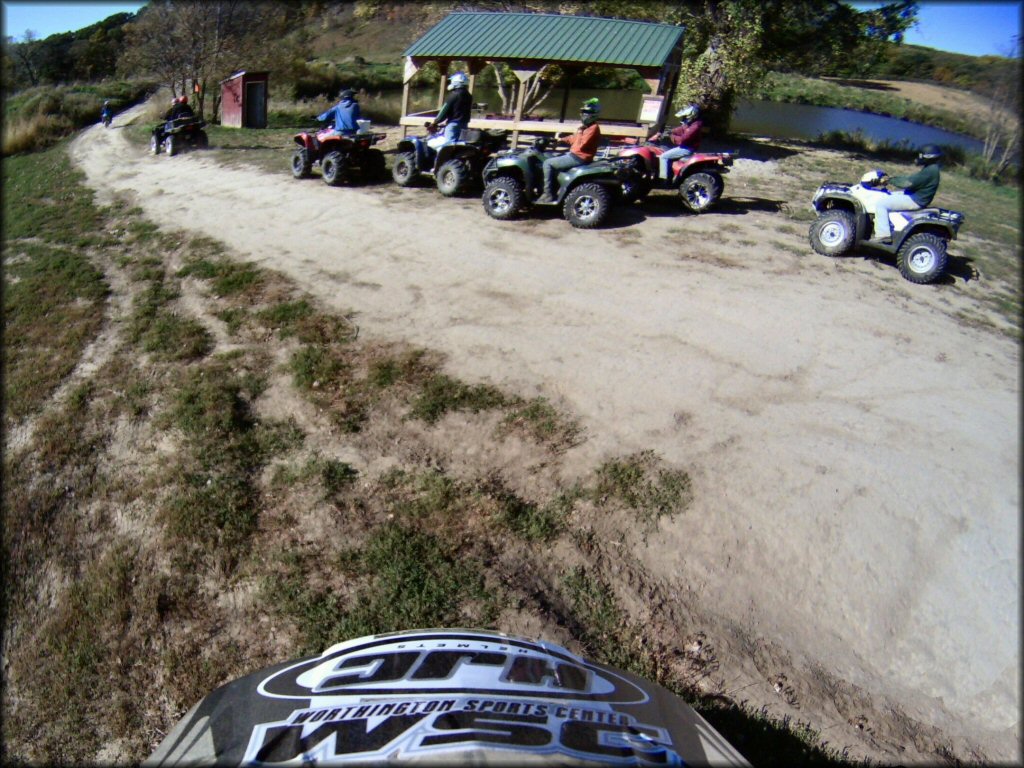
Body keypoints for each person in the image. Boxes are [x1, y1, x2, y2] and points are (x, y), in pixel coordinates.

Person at [870, 144, 942, 243]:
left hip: (915, 200)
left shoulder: (930, 171)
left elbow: (907, 183)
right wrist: (891, 179)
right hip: (916, 196)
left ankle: (883, 235)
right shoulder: (931, 168)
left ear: (928, 157)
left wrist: (889, 180)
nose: (919, 158)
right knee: (887, 195)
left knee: (881, 204)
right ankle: (888, 226)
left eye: (921, 155)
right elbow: (911, 179)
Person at [538, 98, 602, 203]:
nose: (585, 114)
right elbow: (574, 138)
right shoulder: (586, 127)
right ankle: (553, 189)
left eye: (588, 112)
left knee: (547, 163)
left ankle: (548, 194)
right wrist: (560, 140)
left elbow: (582, 144)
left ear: (594, 114)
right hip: (575, 155)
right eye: (584, 112)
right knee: (548, 157)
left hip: (579, 157)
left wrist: (580, 130)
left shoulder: (593, 128)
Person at [649, 104, 702, 181]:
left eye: (686, 116)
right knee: (662, 150)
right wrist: (668, 131)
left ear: (692, 115)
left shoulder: (695, 126)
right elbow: (681, 129)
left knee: (663, 156)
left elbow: (683, 139)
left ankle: (663, 179)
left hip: (687, 148)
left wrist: (672, 136)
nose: (684, 119)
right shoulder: (691, 124)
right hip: (685, 146)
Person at [428, 71, 472, 150]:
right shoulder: (469, 95)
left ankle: (447, 162)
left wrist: (435, 122)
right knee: (462, 146)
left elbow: (444, 111)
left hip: (453, 125)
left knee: (448, 147)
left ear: (455, 82)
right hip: (465, 124)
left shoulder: (454, 95)